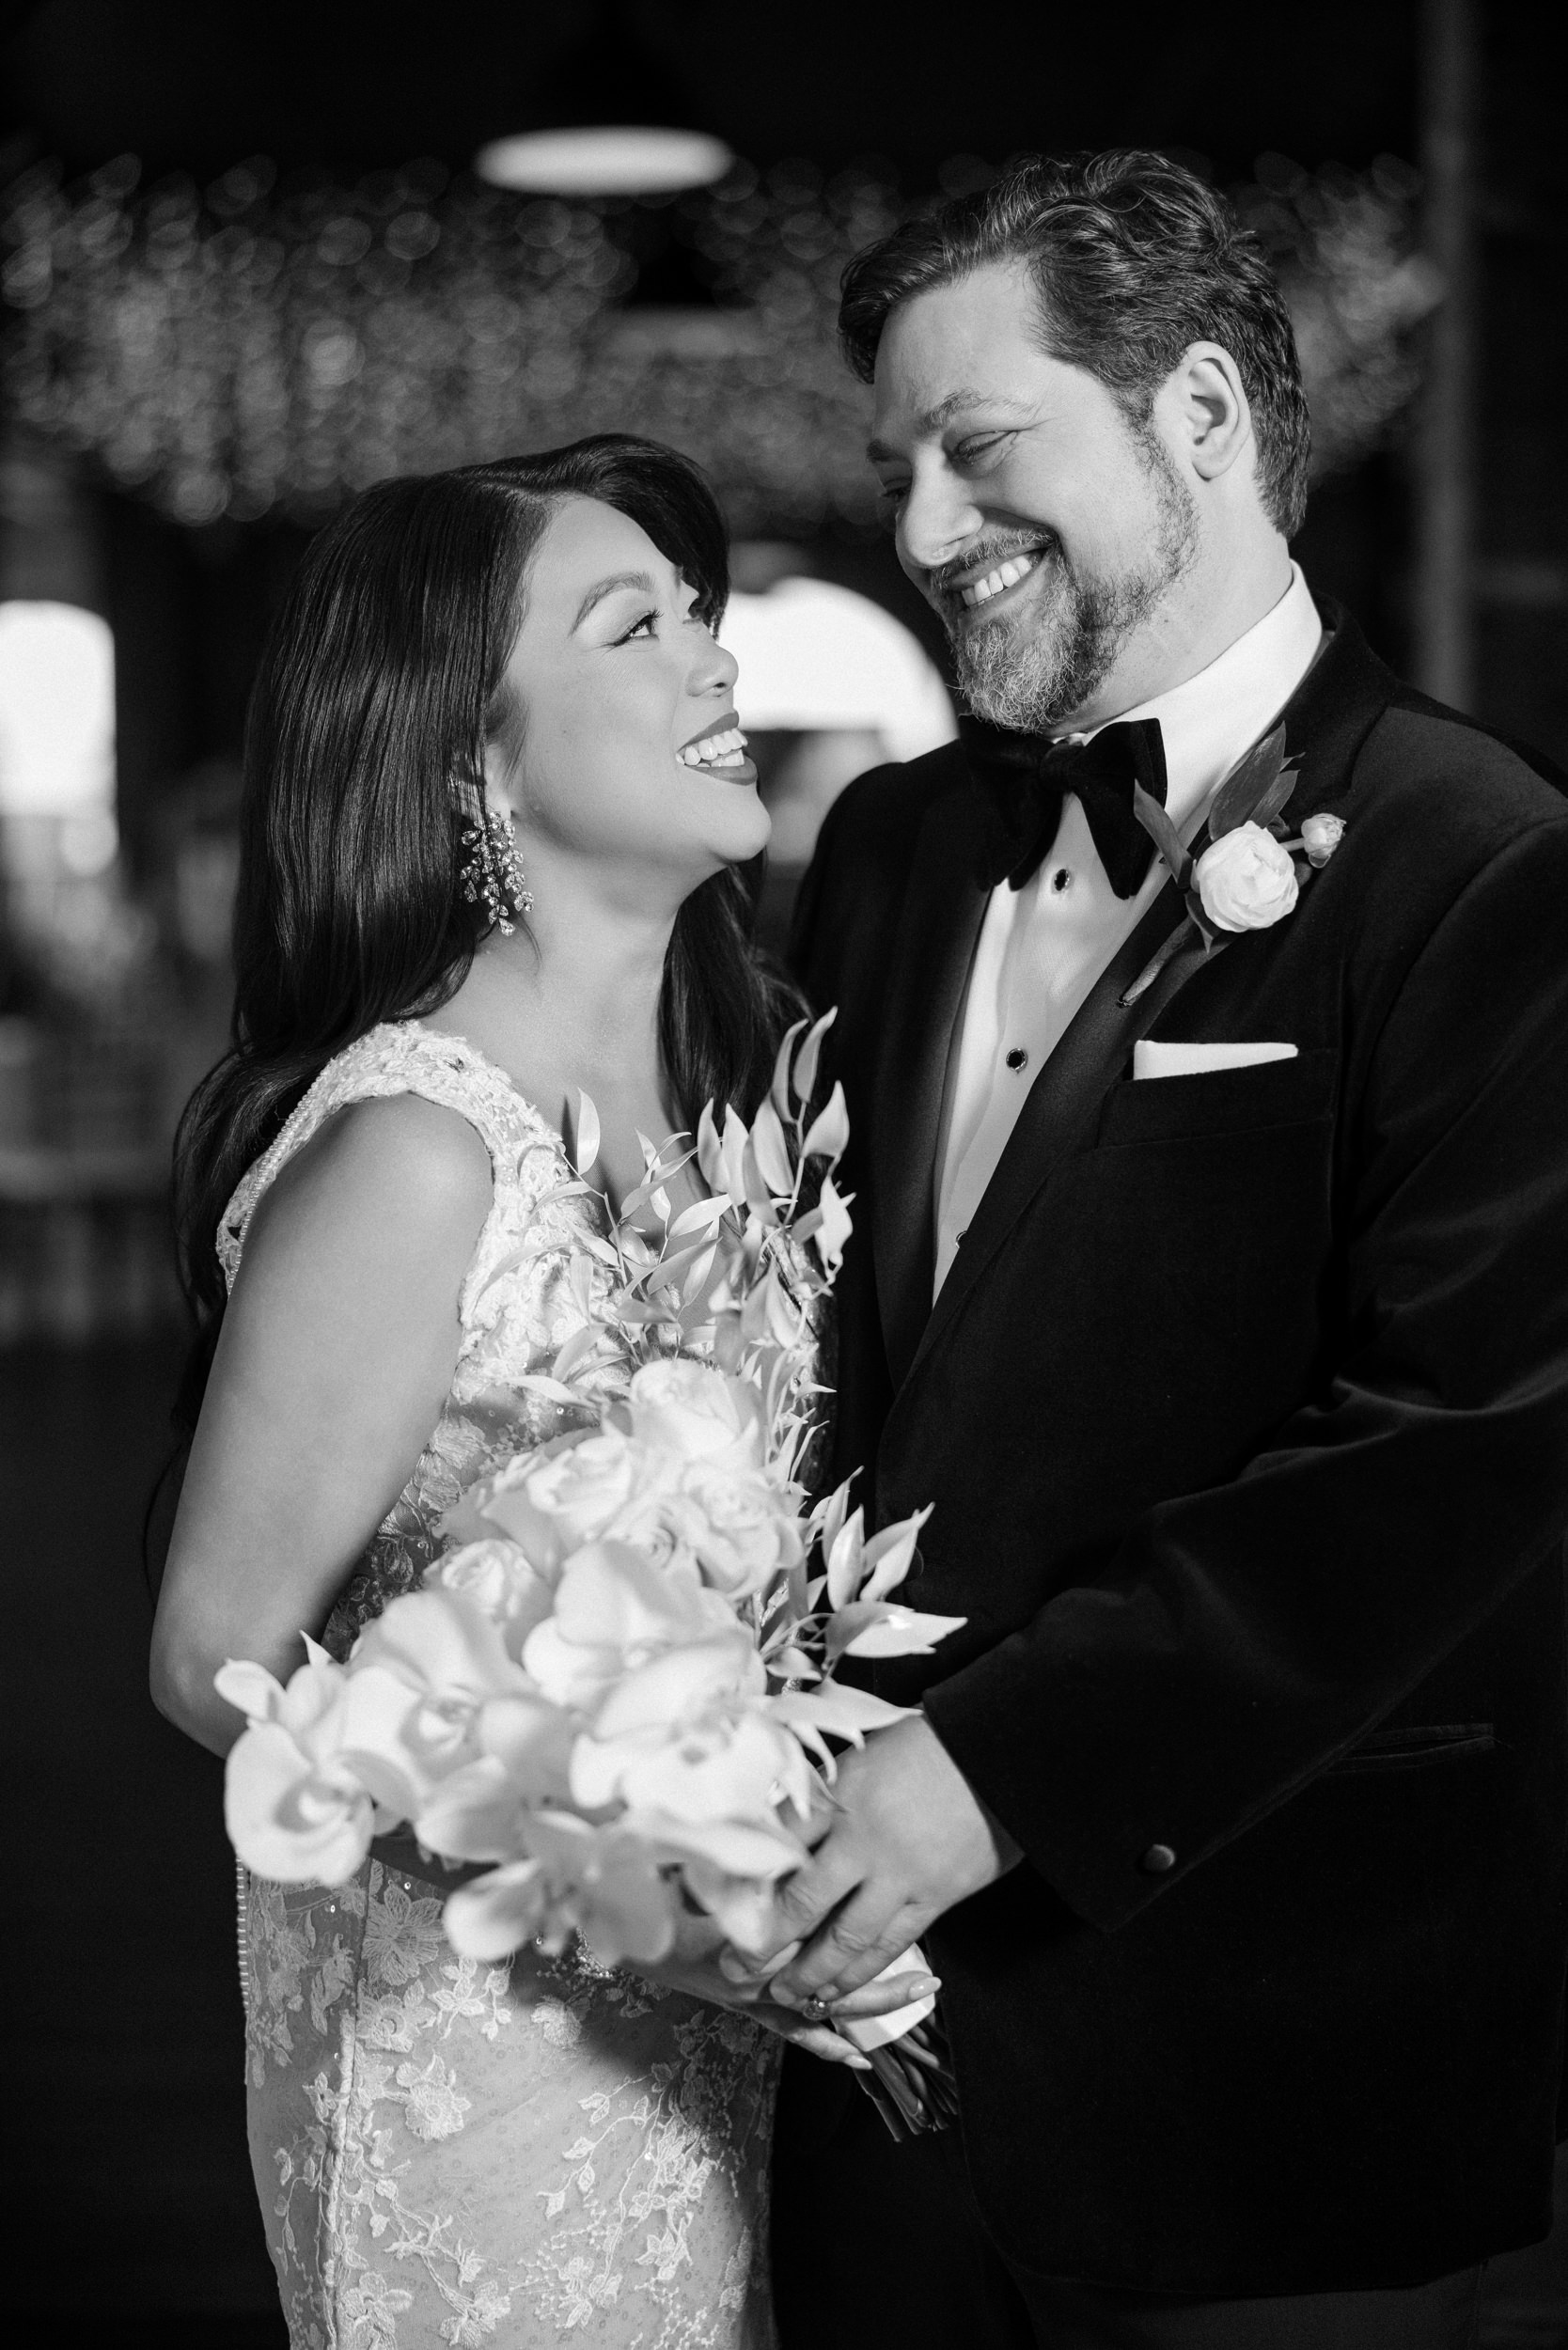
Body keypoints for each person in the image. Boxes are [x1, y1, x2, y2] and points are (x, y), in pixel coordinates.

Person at [763, 150, 1568, 2350]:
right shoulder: (892, 844)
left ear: (1198, 416)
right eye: (897, 466)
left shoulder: (1477, 858)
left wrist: (1000, 1773)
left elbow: (1462, 1452)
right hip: (852, 2062)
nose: (921, 530)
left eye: (981, 445)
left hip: (1269, 2054)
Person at [149, 435, 919, 2349]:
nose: (715, 665)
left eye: (700, 617)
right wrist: (634, 1878)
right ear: (478, 762)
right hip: (478, 2078)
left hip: (726, 2069)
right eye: (634, 626)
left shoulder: (749, 1106)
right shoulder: (420, 1152)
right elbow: (214, 1654)